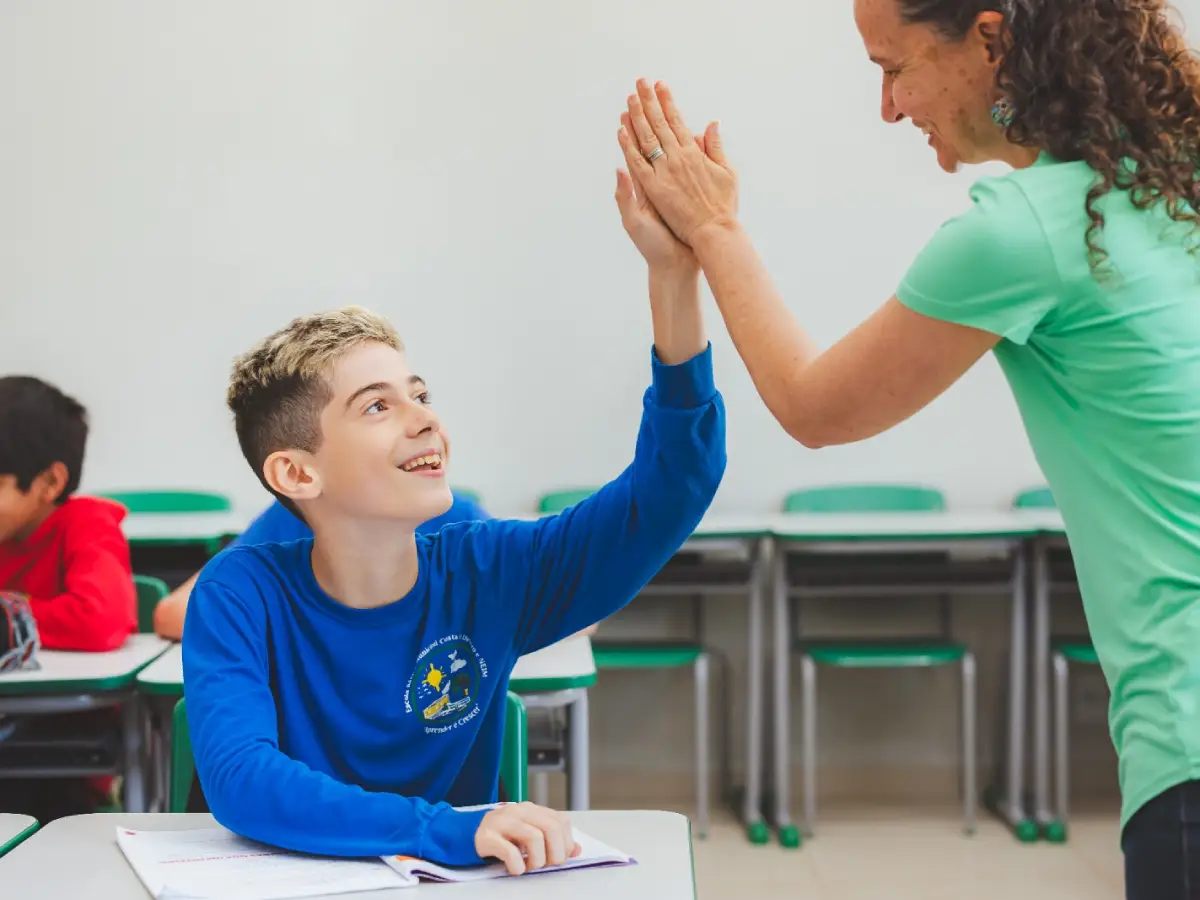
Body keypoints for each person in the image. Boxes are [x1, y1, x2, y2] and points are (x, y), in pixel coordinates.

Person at [614, 1, 1200, 894]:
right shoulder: (1171, 186)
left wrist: (713, 230)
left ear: (992, 40)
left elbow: (815, 407)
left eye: (896, 67)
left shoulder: (1027, 228)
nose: (889, 107)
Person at [182, 179, 722, 874]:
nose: (424, 417)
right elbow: (242, 783)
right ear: (296, 475)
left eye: (421, 394)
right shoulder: (240, 591)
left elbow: (673, 487)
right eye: (377, 407)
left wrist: (673, 277)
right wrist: (439, 829)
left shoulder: (491, 571)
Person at [0, 375, 137, 820]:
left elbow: (99, 620)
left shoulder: (87, 525)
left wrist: (9, 624)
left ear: (49, 482)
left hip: (63, 759)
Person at [152, 490, 489, 641]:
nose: (420, 423)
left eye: (421, 399)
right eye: (375, 409)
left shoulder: (461, 522)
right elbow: (174, 613)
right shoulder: (299, 513)